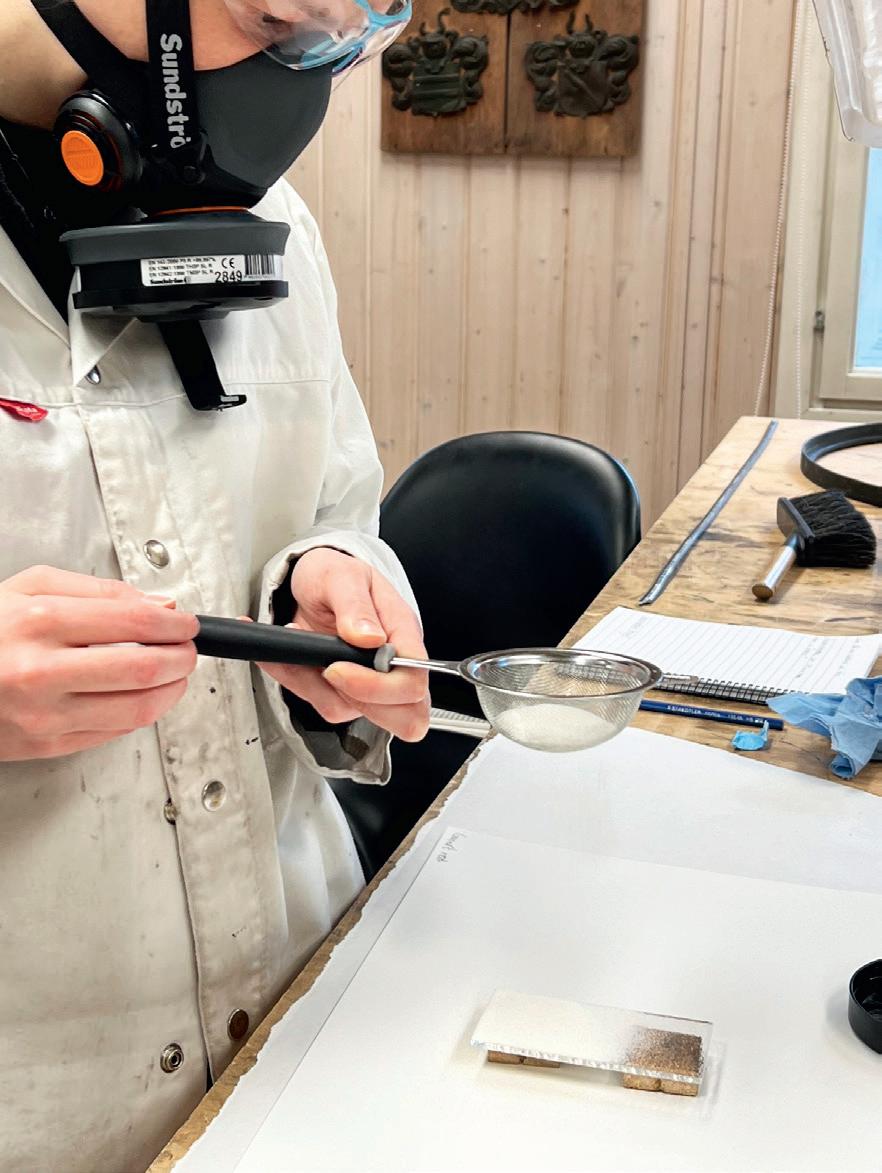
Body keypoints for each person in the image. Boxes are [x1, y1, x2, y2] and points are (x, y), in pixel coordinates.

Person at [0, 0, 428, 1168]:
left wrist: (330, 576)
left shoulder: (269, 222)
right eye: (274, 19)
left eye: (337, 40)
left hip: (301, 1006)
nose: (291, 87)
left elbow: (334, 498)